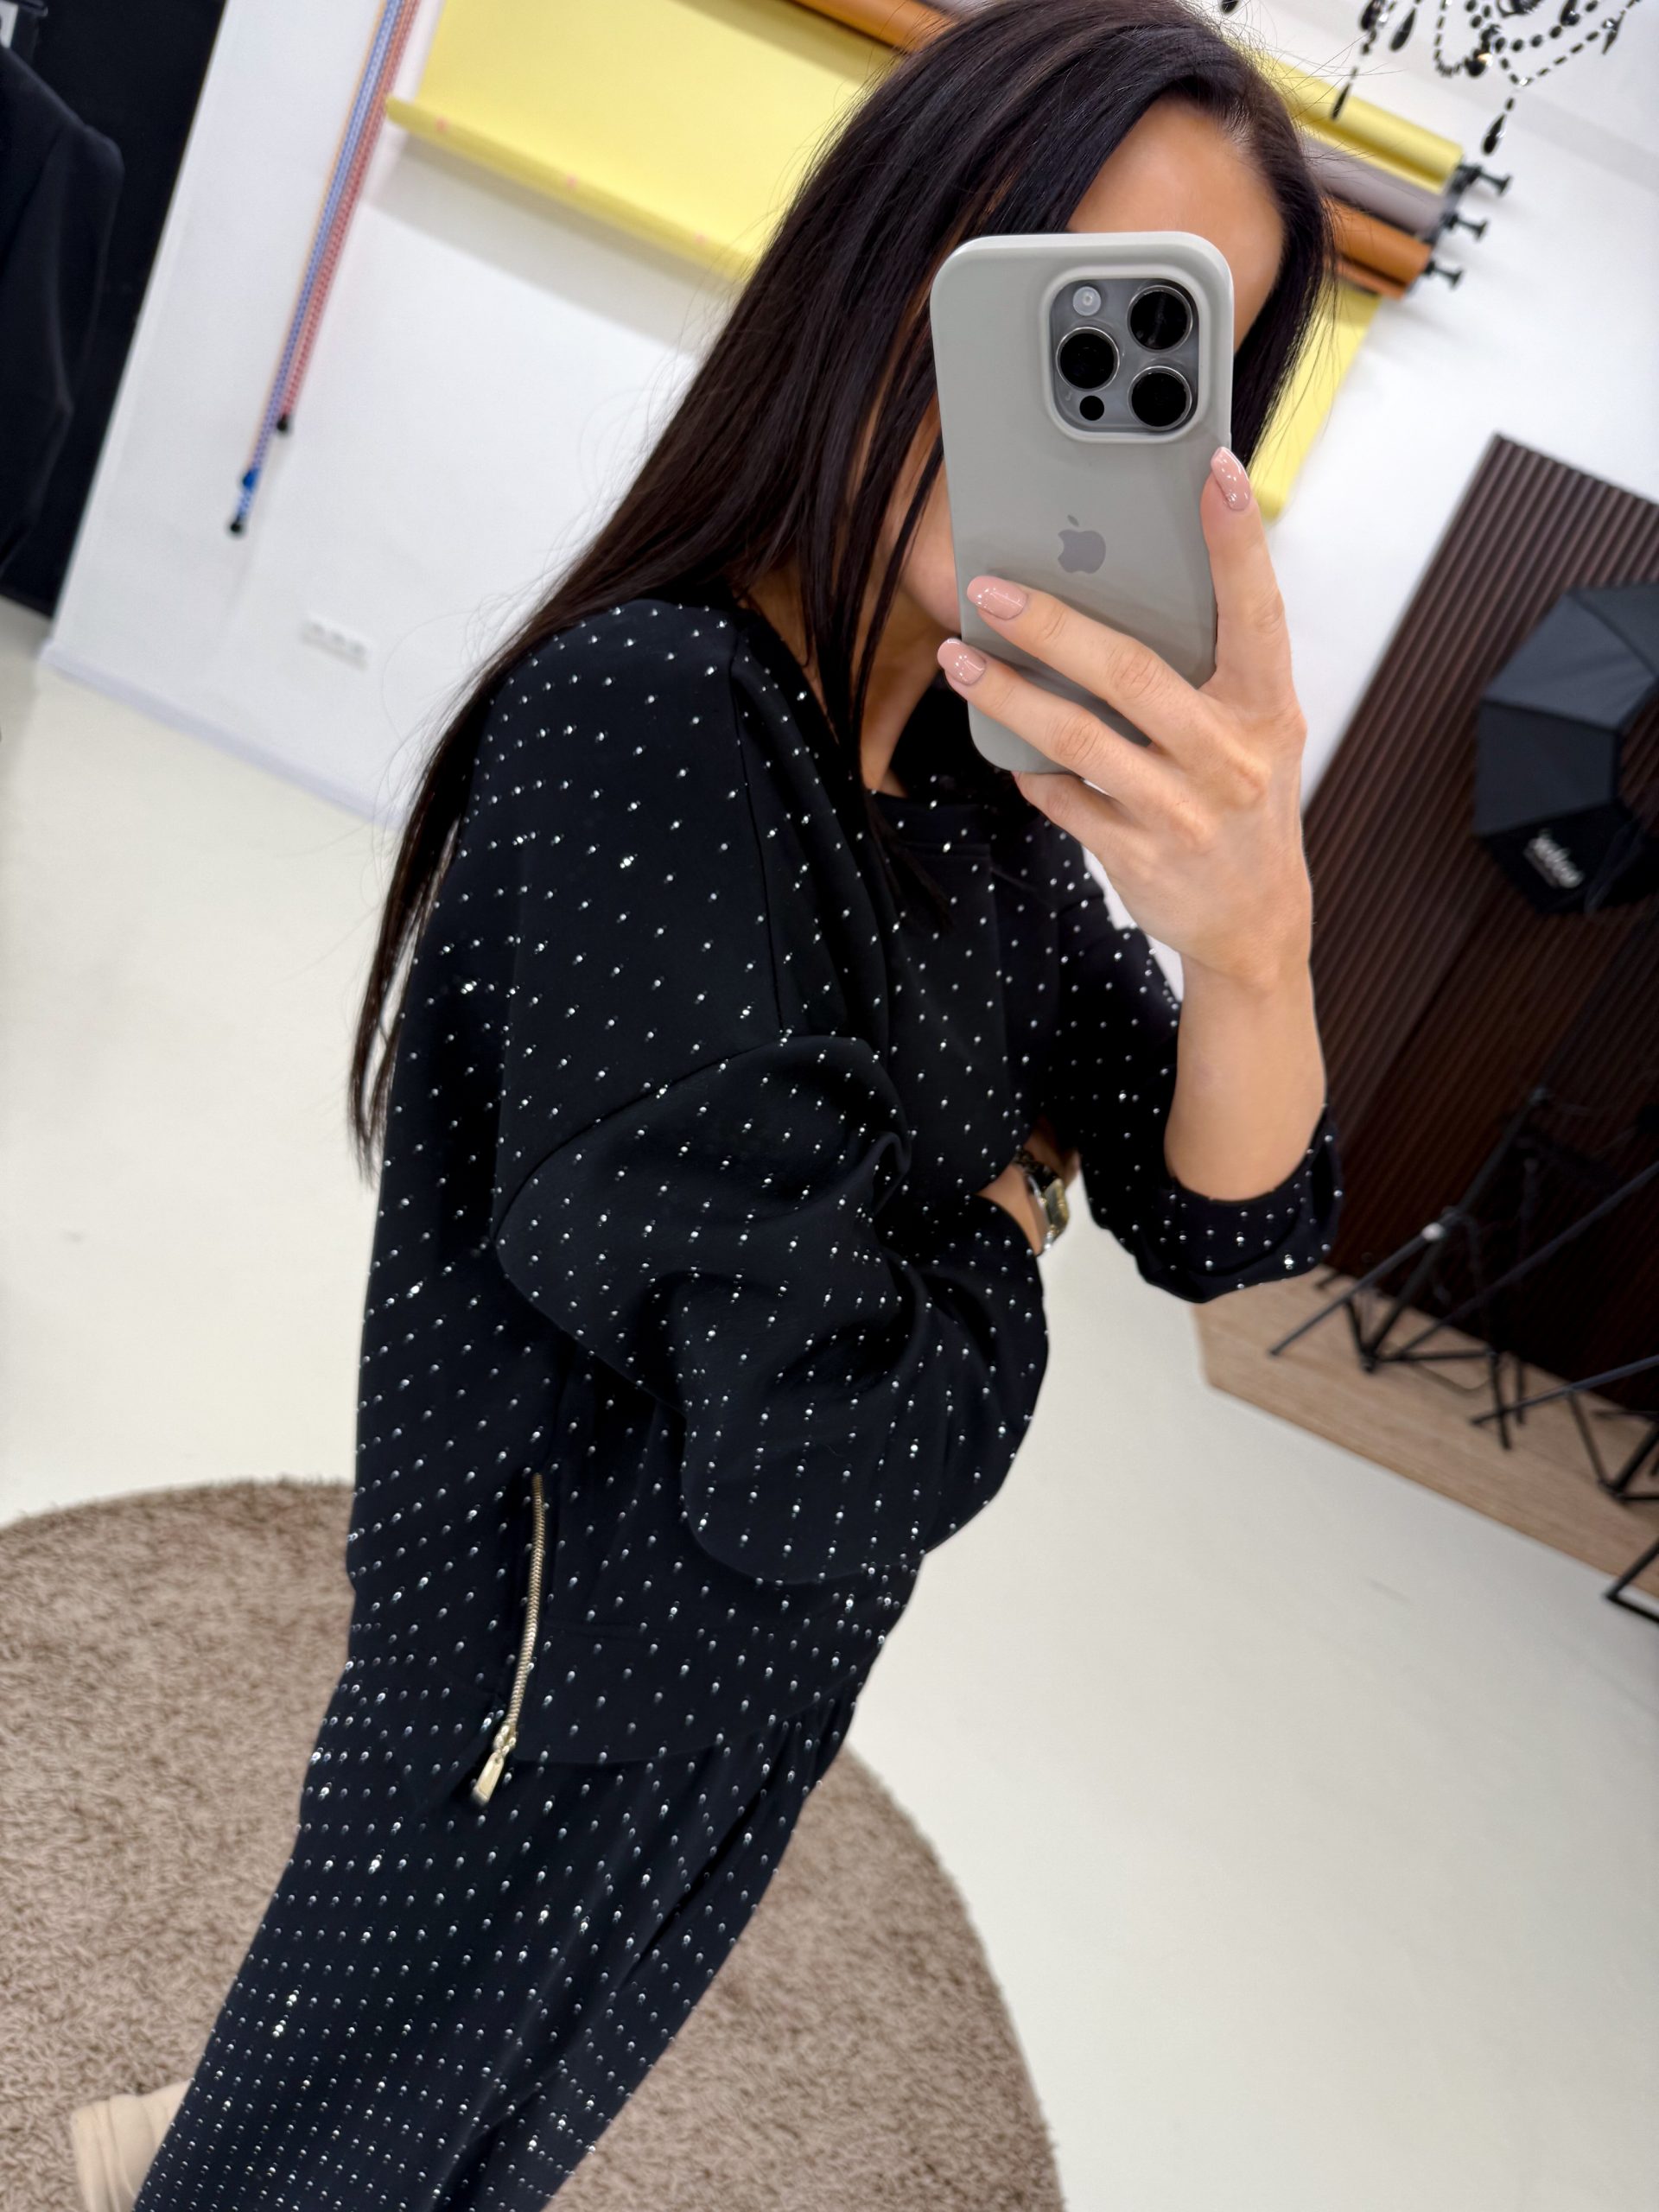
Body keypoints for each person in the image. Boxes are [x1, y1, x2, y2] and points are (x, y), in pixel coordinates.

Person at [130, 1, 1343, 2204]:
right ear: (891, 252)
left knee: (502, 2150)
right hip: (526, 1707)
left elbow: (1236, 1217)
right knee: (317, 2162)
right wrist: (1008, 1215)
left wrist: (1255, 936)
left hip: (747, 1686)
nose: (1069, 407)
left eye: (1160, 355)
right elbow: (823, 1448)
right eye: (1041, 294)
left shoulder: (985, 806)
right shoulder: (658, 725)